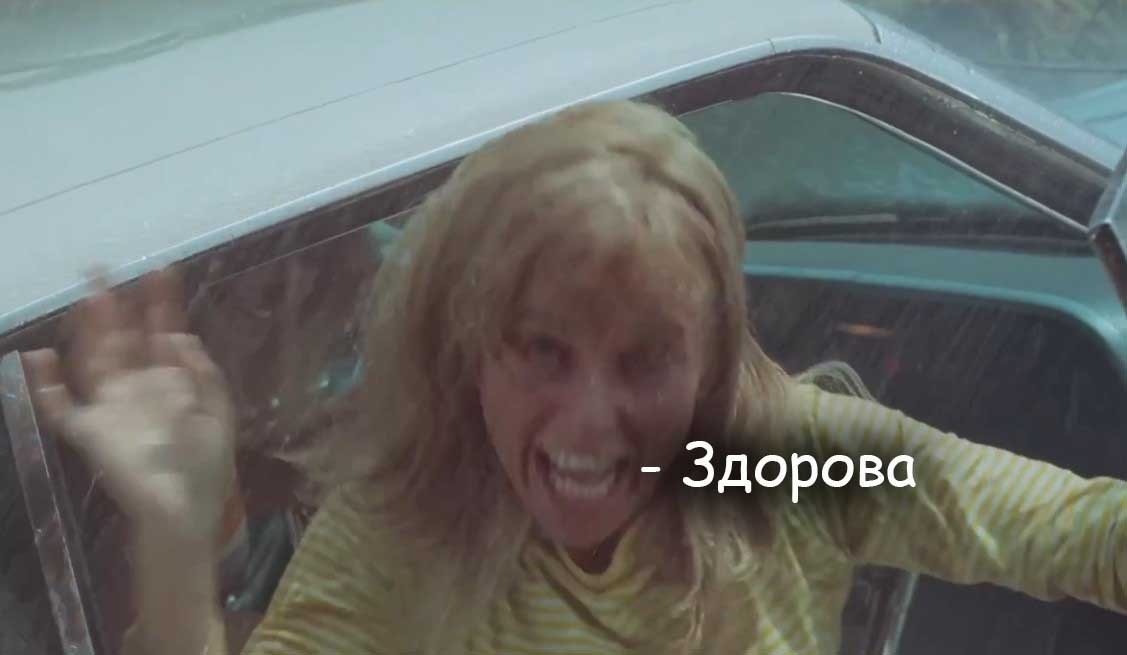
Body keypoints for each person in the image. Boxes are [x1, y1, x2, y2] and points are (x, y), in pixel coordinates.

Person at [23, 99, 1127, 655]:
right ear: (473, 348)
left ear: (712, 358)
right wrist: (175, 535)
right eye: (543, 350)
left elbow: (1067, 532)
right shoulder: (418, 520)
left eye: (645, 358)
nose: (589, 422)